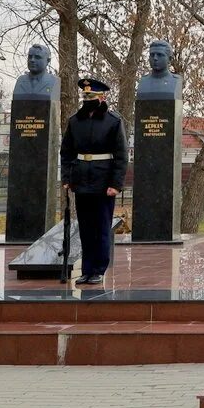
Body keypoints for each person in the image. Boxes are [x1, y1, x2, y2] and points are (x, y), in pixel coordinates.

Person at [59, 77, 128, 286]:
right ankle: (87, 269)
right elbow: (67, 152)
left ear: (102, 97)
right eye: (85, 95)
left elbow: (121, 155)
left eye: (91, 95)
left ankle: (99, 269)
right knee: (86, 228)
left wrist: (116, 184)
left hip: (103, 181)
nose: (87, 98)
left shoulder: (113, 121)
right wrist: (67, 178)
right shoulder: (74, 121)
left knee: (101, 226)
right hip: (81, 180)